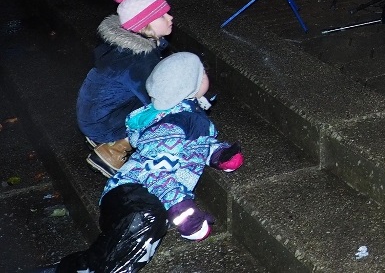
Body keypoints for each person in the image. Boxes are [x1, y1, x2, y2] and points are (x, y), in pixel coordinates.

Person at [47, 53, 244, 272]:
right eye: (202, 73)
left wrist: (219, 154)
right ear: (188, 86)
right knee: (147, 221)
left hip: (139, 193)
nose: (207, 75)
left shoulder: (186, 116)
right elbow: (157, 173)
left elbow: (195, 146)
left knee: (146, 224)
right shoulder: (170, 125)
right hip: (132, 193)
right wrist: (183, 209)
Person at [76, 0, 172, 178]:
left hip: (94, 115)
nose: (170, 18)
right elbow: (156, 99)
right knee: (166, 112)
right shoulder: (138, 59)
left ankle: (107, 138)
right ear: (145, 25)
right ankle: (113, 151)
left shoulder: (125, 48)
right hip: (102, 123)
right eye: (162, 16)